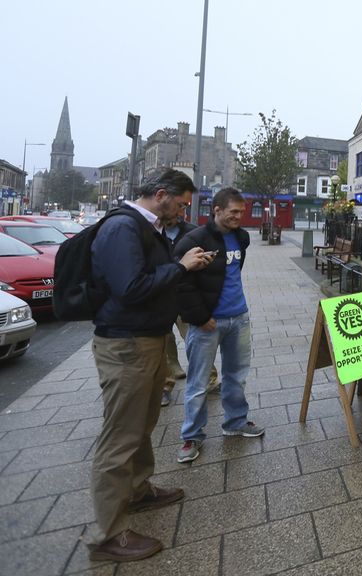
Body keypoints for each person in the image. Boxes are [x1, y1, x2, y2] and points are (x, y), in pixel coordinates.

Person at [87, 168, 213, 561]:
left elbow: (148, 277)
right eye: (180, 203)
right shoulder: (122, 228)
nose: (182, 211)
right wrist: (182, 267)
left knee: (142, 423)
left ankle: (139, 490)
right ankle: (108, 534)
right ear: (161, 195)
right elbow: (130, 288)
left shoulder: (149, 227)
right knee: (120, 435)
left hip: (147, 341)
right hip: (126, 346)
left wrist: (181, 265)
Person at [175, 187, 262, 464]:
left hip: (240, 317)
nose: (239, 216)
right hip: (207, 324)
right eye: (233, 212)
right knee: (199, 382)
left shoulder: (241, 238)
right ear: (217, 210)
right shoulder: (194, 240)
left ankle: (235, 422)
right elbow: (181, 283)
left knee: (237, 375)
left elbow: (233, 274)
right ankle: (191, 436)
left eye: (242, 212)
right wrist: (200, 317)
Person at [159, 206, 219, 407]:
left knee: (197, 339)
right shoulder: (150, 233)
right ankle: (165, 385)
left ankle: (210, 380)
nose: (179, 213)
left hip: (186, 296)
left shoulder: (193, 232)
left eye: (182, 210)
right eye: (177, 208)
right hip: (161, 296)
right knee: (163, 342)